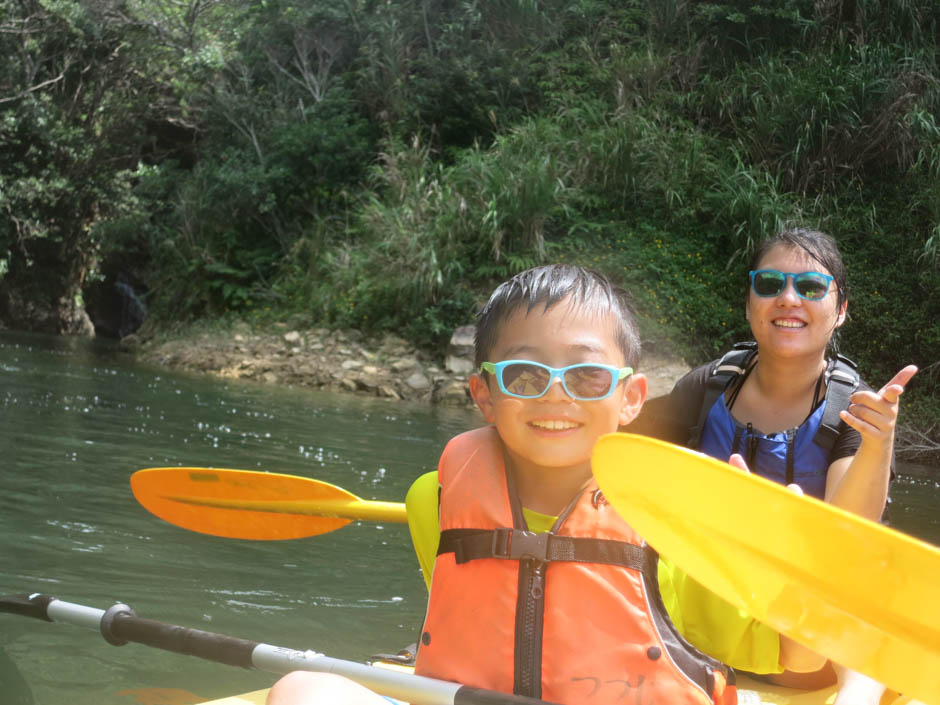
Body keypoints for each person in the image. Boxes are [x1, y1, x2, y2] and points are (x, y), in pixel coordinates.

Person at [267, 264, 827, 705]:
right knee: (302, 690)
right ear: (484, 395)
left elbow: (798, 658)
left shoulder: (679, 523)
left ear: (631, 399)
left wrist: (785, 567)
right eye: (525, 375)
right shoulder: (435, 497)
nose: (555, 395)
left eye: (586, 375)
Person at [630, 227, 918, 700]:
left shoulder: (856, 410)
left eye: (809, 287)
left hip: (810, 640)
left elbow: (850, 533)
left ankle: (860, 689)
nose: (787, 298)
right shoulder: (706, 389)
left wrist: (877, 442)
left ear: (840, 310)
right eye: (769, 284)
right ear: (750, 303)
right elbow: (621, 467)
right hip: (713, 606)